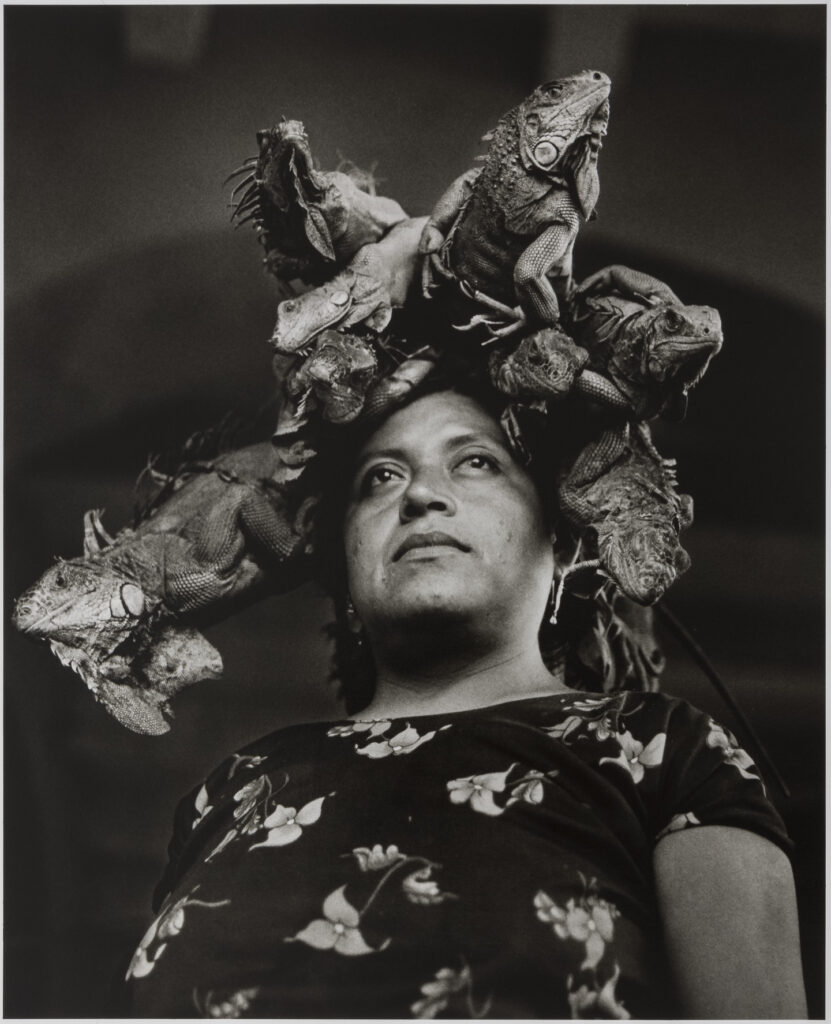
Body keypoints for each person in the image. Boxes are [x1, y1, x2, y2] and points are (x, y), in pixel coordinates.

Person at [124, 373, 806, 1019]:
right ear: (344, 564)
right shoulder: (240, 783)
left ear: (561, 545)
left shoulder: (661, 749)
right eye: (381, 477)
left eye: (476, 462)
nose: (419, 495)